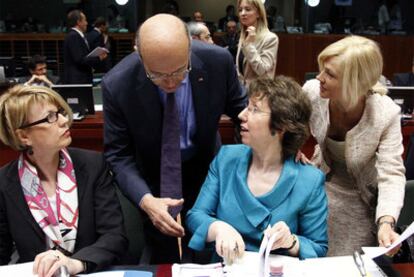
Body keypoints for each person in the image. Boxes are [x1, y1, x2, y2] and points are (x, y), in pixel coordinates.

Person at [102, 14, 247, 264]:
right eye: (157, 75)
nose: (170, 82)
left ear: (190, 47)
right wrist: (146, 201)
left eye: (180, 71)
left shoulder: (217, 62)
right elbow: (118, 155)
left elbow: (243, 112)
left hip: (206, 168)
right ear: (141, 56)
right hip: (154, 175)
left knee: (210, 248)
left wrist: (284, 139)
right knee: (162, 250)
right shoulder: (118, 83)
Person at [187, 77, 328, 263]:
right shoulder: (226, 158)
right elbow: (195, 216)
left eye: (254, 109)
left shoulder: (309, 180)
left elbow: (318, 247)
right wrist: (218, 228)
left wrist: (291, 242)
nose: (241, 115)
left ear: (281, 126)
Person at [0, 85, 127, 275]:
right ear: (24, 136)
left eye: (60, 112)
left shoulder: (92, 165)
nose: (64, 121)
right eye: (50, 117)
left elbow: (114, 235)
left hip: (89, 272)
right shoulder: (4, 182)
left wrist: (75, 263)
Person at [302, 35, 405, 256]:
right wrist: (292, 151)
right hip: (318, 188)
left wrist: (386, 222)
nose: (319, 77)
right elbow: (287, 124)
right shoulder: (312, 92)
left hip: (361, 200)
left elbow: (392, 173)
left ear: (354, 82)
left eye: (329, 74)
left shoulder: (385, 114)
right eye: (322, 69)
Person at [236, 0, 279, 86]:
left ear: (258, 13)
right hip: (241, 93)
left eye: (248, 9)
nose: (243, 13)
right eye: (240, 10)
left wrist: (248, 45)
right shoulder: (243, 36)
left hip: (259, 94)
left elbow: (262, 70)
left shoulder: (270, 38)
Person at [63, 10, 107, 84]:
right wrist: (98, 58)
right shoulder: (73, 36)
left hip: (81, 79)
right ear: (78, 22)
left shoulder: (78, 36)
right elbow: (80, 59)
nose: (86, 23)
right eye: (85, 20)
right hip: (77, 80)